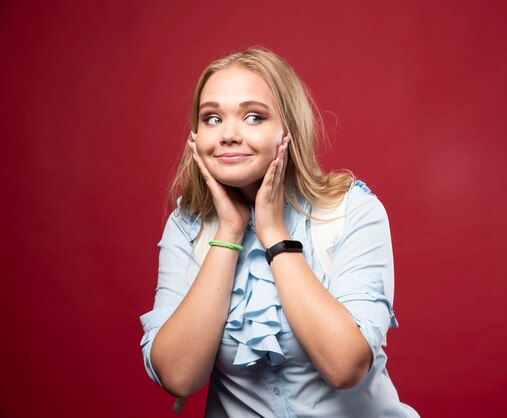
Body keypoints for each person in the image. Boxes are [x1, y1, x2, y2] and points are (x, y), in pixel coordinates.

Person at [140, 48, 419, 417]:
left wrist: (274, 235)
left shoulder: (352, 210)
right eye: (212, 118)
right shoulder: (186, 227)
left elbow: (345, 366)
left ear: (288, 130)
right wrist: (229, 231)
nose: (228, 135)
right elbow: (178, 375)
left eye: (253, 117)